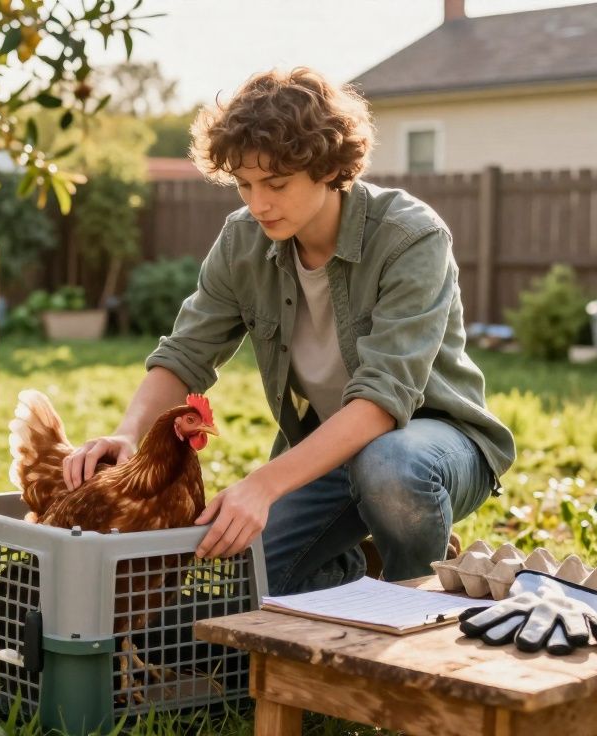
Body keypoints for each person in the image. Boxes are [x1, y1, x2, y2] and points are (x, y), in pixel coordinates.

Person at [61, 67, 516, 596]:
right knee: (249, 586)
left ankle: (412, 596)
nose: (258, 204)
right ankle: (357, 566)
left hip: (434, 446)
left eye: (276, 184)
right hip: (331, 451)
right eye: (245, 185)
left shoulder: (410, 237)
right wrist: (128, 433)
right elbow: (186, 353)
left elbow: (383, 401)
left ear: (326, 167)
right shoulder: (243, 241)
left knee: (392, 466)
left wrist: (263, 485)